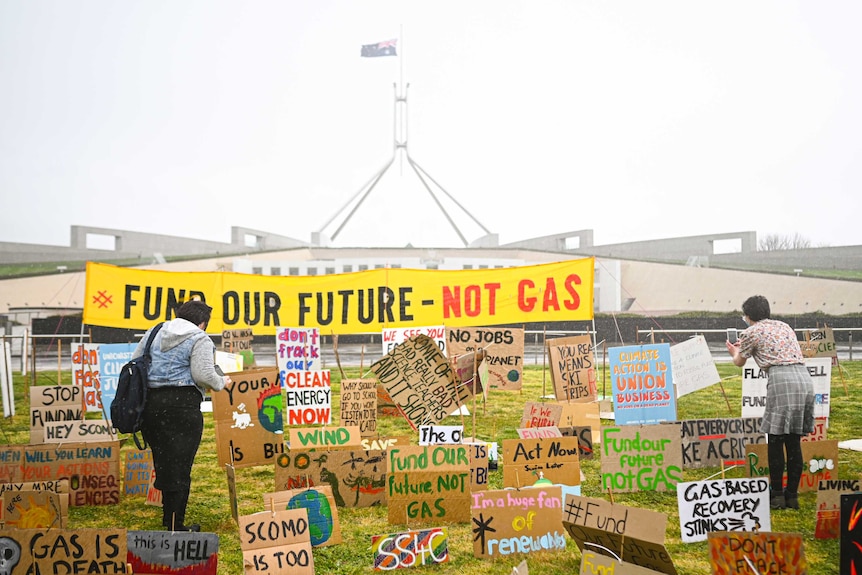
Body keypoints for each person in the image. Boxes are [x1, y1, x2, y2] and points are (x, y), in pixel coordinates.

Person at [133, 299, 231, 531]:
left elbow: (135, 362)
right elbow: (203, 375)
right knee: (180, 467)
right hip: (182, 407)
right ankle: (176, 526)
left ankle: (170, 520)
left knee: (164, 463)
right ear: (202, 322)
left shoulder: (154, 331)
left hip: (151, 406)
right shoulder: (199, 338)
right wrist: (222, 382)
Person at [725, 295, 815, 510]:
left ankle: (775, 496)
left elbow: (739, 362)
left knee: (775, 440)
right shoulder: (784, 326)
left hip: (781, 380)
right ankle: (791, 496)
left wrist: (734, 351)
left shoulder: (750, 332)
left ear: (747, 315)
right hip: (804, 378)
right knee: (794, 441)